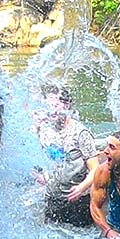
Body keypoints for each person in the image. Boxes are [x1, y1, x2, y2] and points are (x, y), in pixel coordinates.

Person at [33, 87, 100, 226]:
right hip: (52, 198)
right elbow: (42, 159)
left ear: (67, 105)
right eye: (49, 106)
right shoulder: (45, 130)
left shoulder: (80, 133)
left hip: (78, 199)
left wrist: (81, 188)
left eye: (56, 105)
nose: (52, 110)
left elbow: (96, 169)